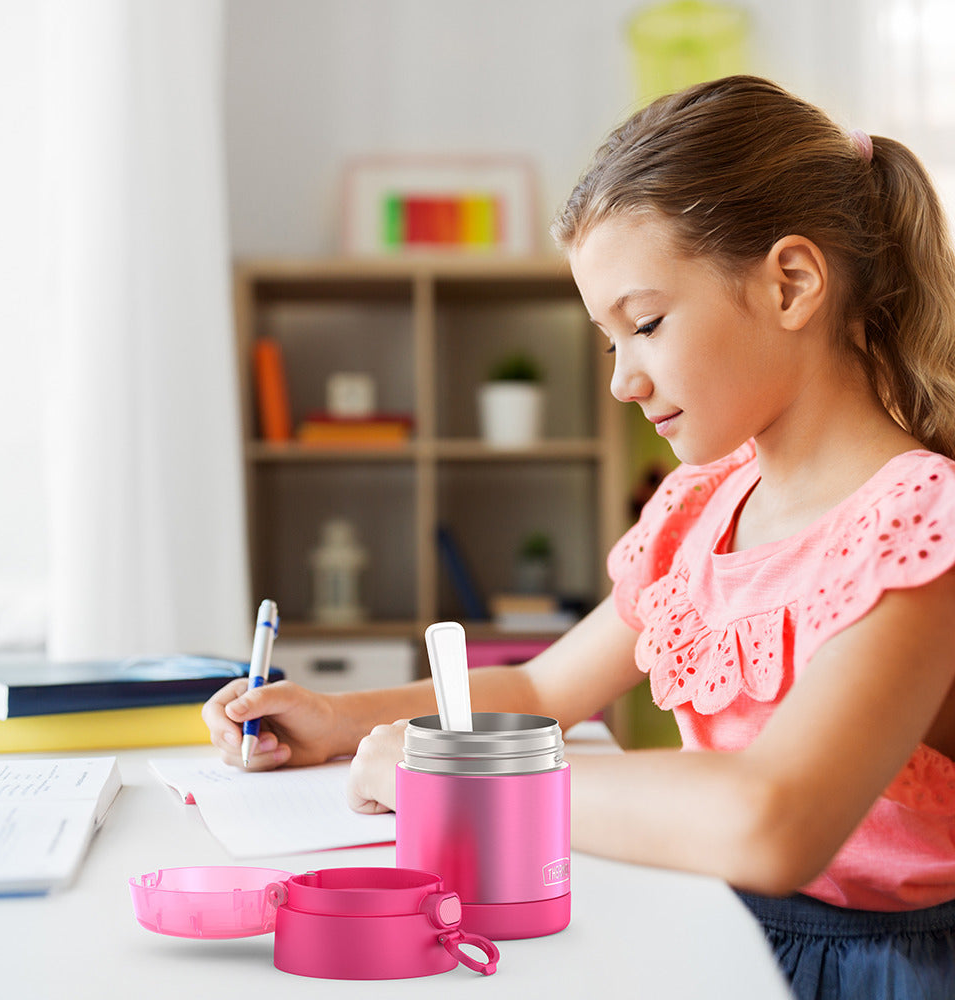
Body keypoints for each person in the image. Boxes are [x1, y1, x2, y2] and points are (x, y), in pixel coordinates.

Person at [203, 76, 955, 998]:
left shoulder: (918, 527)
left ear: (791, 283)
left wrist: (445, 781)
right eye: (610, 342)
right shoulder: (700, 512)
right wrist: (338, 719)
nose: (623, 382)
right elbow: (539, 687)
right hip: (719, 930)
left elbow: (774, 820)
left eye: (645, 324)